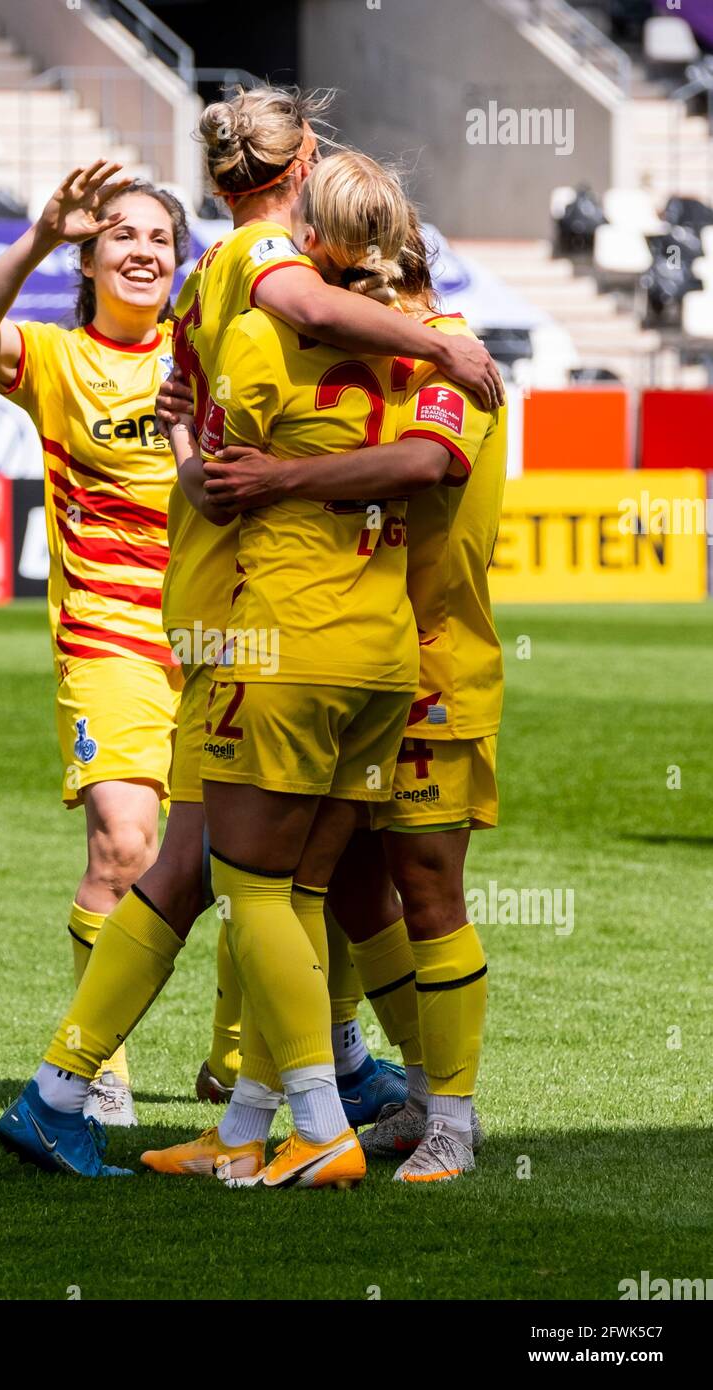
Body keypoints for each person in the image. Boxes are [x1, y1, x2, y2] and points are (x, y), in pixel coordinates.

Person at [0, 85, 503, 1180]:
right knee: (281, 879)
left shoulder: (313, 314)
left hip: (299, 637)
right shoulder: (373, 331)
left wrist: (221, 458)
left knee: (274, 883)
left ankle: (332, 1115)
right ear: (305, 171)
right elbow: (288, 447)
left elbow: (238, 472)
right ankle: (267, 1113)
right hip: (348, 645)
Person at [203, 219, 507, 1183]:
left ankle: (452, 1116)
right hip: (364, 659)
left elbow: (424, 467)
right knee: (338, 888)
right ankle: (385, 1087)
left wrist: (276, 476)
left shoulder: (454, 359)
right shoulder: (375, 361)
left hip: (433, 667)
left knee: (426, 886)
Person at [0, 162, 189, 1133]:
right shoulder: (54, 358)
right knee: (125, 846)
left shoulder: (209, 351)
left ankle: (244, 1065)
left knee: (256, 864)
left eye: (160, 240)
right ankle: (98, 1066)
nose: (142, 251)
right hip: (111, 640)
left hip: (228, 641)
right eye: (122, 236)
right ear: (91, 258)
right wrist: (40, 234)